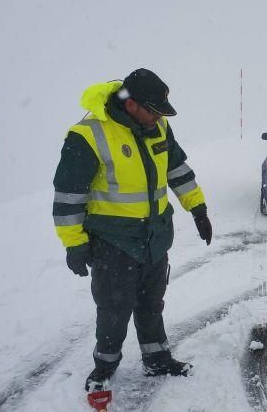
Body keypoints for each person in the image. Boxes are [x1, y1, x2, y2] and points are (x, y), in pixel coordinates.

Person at [53, 68, 213, 392]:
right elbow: (69, 197)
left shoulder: (158, 127)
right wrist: (74, 244)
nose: (158, 118)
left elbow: (177, 169)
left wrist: (197, 208)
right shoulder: (88, 135)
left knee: (151, 303)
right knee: (114, 308)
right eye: (153, 111)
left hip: (155, 236)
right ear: (131, 105)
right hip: (113, 242)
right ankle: (105, 366)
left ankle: (157, 359)